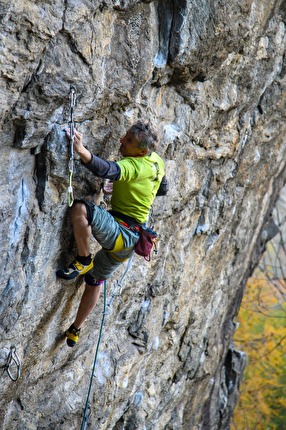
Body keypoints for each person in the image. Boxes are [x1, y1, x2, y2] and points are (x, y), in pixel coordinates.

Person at [56, 120, 168, 347]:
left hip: (121, 233)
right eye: (125, 136)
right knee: (95, 281)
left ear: (142, 151)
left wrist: (80, 149)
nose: (122, 141)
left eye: (128, 141)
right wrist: (128, 189)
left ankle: (83, 259)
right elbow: (162, 188)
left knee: (80, 209)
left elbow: (106, 169)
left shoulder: (135, 166)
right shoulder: (156, 162)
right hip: (130, 241)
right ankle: (75, 329)